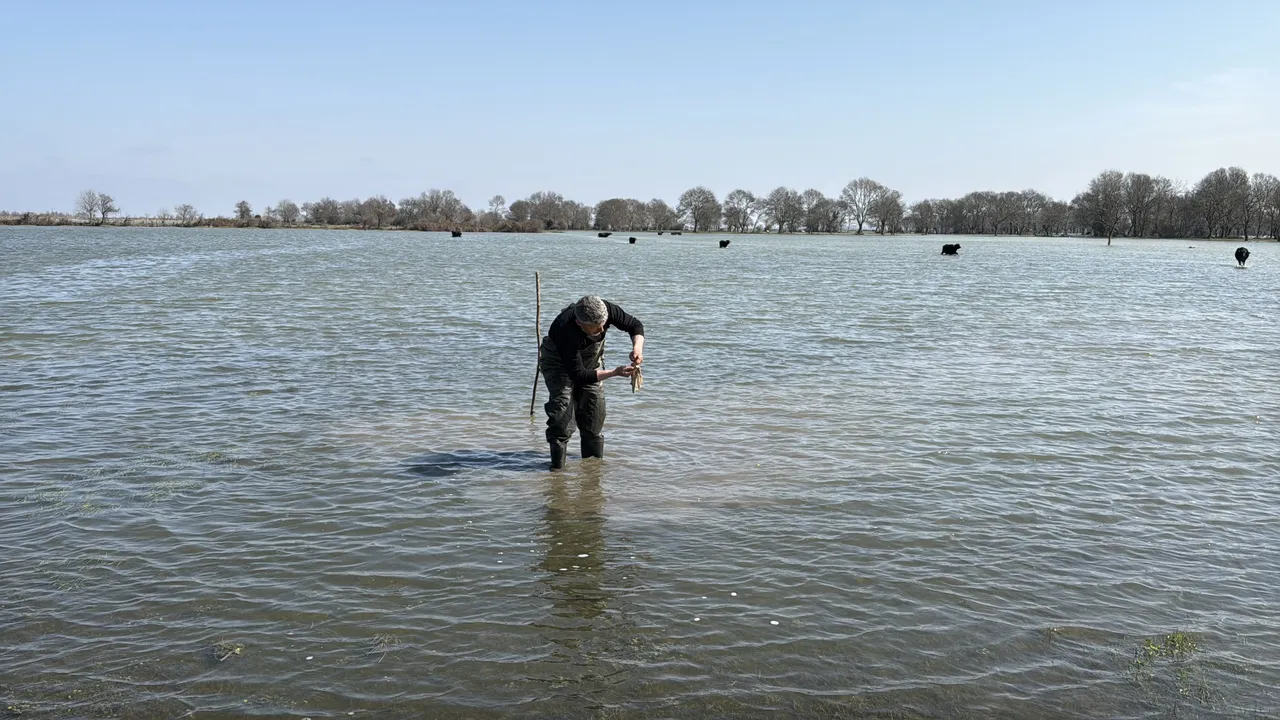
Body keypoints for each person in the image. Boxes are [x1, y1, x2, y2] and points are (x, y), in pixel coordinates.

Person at [540, 295, 644, 469]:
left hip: (590, 362)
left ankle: (592, 474)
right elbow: (579, 374)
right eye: (596, 327)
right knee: (562, 413)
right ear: (581, 324)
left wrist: (636, 348)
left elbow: (635, 326)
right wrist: (615, 372)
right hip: (559, 364)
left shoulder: (606, 309)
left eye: (604, 323)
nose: (602, 328)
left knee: (594, 413)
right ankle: (557, 475)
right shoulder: (563, 329)